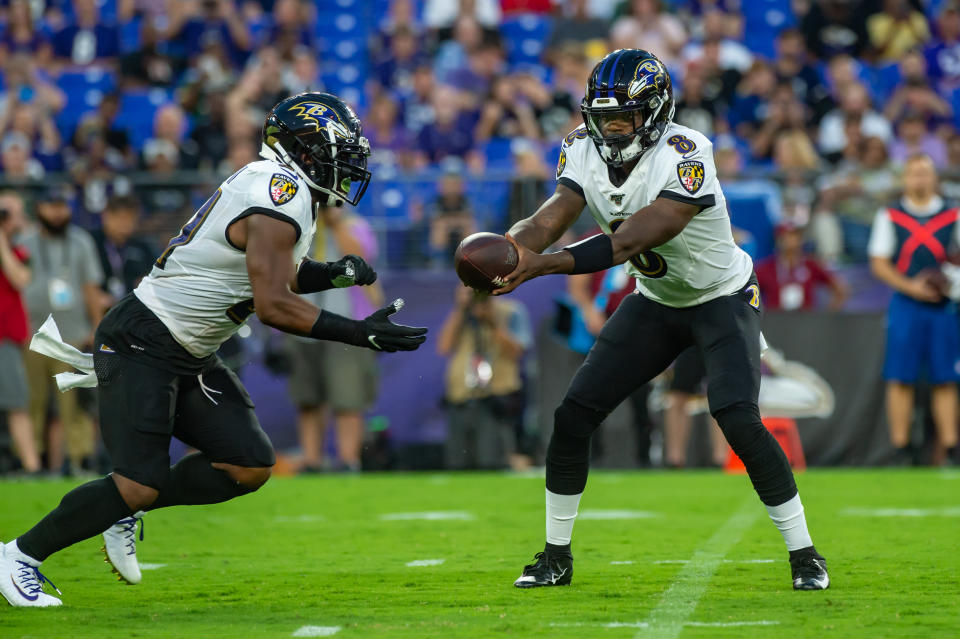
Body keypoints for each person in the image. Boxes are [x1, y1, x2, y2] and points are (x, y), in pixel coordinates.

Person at [0, 92, 427, 607]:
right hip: (145, 339)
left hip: (187, 349)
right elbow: (271, 304)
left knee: (246, 464)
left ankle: (123, 506)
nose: (348, 162)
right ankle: (18, 555)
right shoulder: (279, 192)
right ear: (303, 148)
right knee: (138, 482)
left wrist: (331, 273)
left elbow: (273, 273)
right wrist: (362, 332)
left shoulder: (286, 189)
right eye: (335, 149)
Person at [494, 49, 828, 591]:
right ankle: (555, 556)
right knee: (573, 415)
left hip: (721, 296)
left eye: (622, 118)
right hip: (657, 300)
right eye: (601, 118)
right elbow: (552, 215)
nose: (609, 129)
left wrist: (541, 267)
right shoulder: (580, 148)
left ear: (653, 112)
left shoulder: (686, 150)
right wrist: (511, 250)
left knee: (737, 417)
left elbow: (632, 238)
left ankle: (805, 554)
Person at [867, 153, 960, 466]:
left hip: (943, 305)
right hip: (906, 303)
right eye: (914, 173)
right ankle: (900, 447)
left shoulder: (953, 214)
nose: (919, 179)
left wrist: (948, 280)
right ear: (905, 178)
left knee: (945, 376)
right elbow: (879, 262)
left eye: (925, 173)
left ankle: (949, 447)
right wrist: (912, 287)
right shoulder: (890, 215)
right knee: (900, 376)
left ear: (934, 178)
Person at [287, 205, 385, 473]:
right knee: (307, 398)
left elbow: (360, 260)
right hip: (301, 324)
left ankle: (348, 460)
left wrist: (335, 224)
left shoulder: (356, 226)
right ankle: (311, 461)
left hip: (347, 327)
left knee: (347, 398)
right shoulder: (299, 227)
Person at [20, 185, 103, 476]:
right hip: (31, 335)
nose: (57, 213)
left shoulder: (81, 242)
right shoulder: (24, 240)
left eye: (62, 206)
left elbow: (90, 287)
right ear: (39, 209)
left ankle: (78, 460)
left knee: (75, 402)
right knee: (32, 401)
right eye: (51, 206)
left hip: (72, 334)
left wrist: (95, 326)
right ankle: (33, 461)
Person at [437, 287, 530, 470]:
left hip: (496, 400)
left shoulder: (511, 311)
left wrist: (493, 322)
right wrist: (460, 309)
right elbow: (444, 347)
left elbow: (517, 351)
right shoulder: (461, 316)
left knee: (492, 462)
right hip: (462, 397)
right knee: (457, 463)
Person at [0, 190, 41, 474]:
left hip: (6, 340)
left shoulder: (19, 251)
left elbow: (20, 278)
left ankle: (32, 466)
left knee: (17, 403)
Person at [755, 222, 848, 311]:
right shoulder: (766, 267)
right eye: (785, 236)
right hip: (775, 322)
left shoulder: (811, 266)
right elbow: (746, 293)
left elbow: (840, 289)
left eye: (794, 236)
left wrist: (827, 317)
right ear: (778, 240)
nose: (790, 240)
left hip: (805, 323)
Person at [91, 195, 158, 305]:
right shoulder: (90, 243)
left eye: (130, 218)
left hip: (131, 309)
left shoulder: (142, 247)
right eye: (119, 217)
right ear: (105, 216)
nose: (124, 224)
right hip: (97, 308)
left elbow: (152, 278)